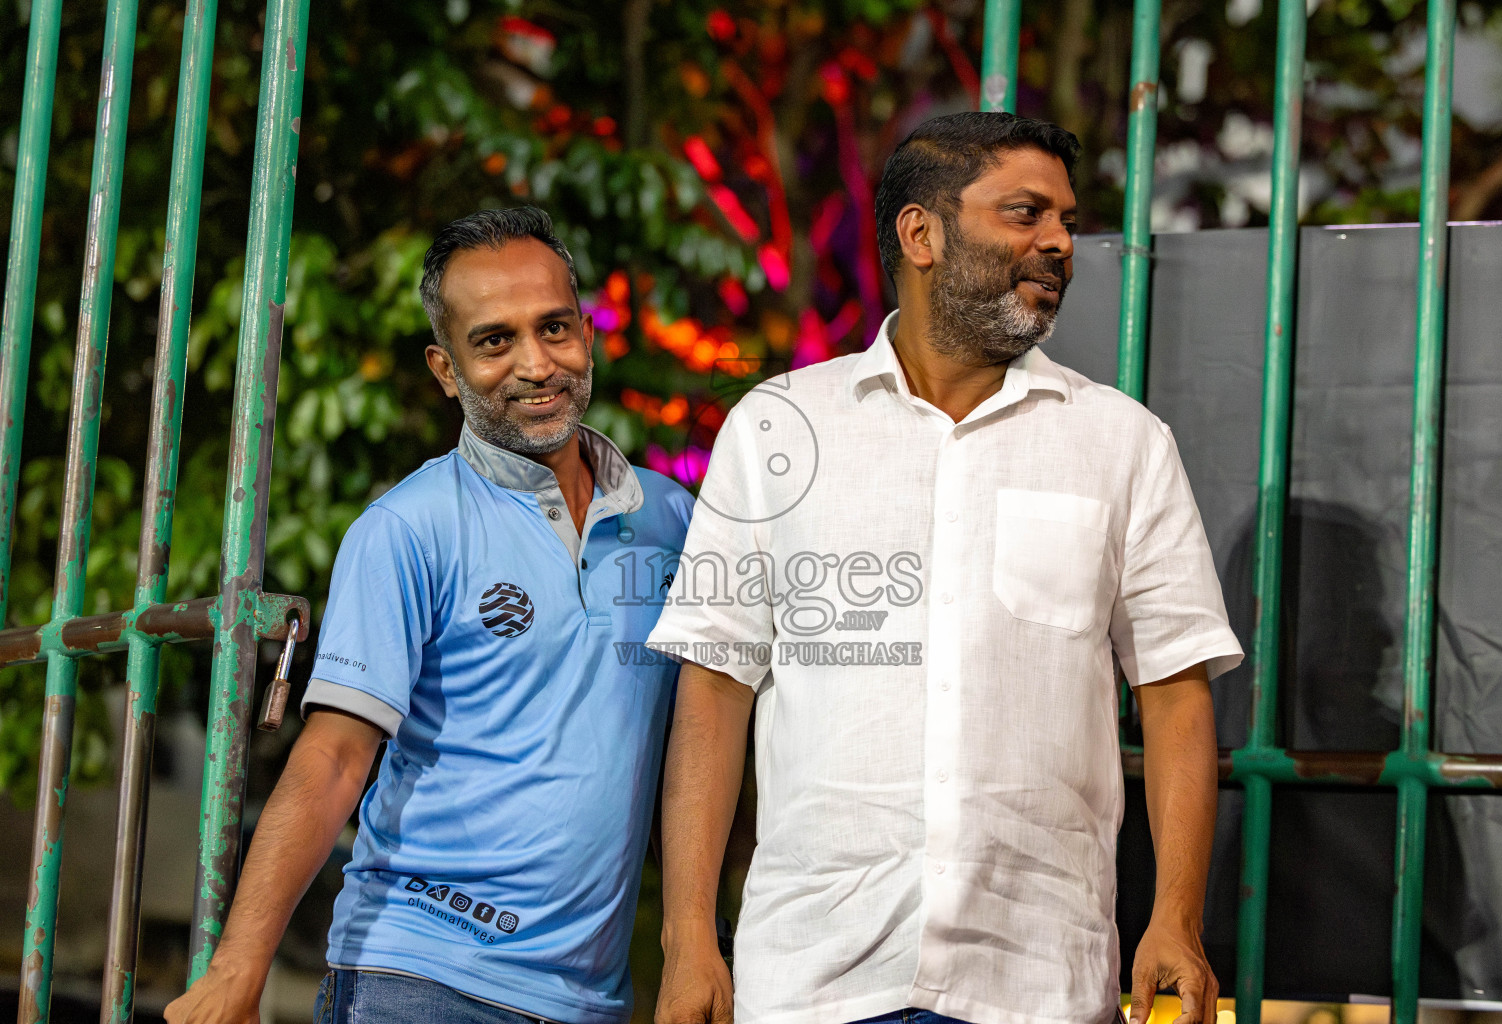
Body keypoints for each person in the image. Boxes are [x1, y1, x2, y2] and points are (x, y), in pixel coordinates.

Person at [646, 112, 1243, 1024]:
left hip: (1037, 978)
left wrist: (1176, 919)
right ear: (920, 233)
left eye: (1066, 222)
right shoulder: (777, 426)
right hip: (812, 976)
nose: (1058, 243)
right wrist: (690, 937)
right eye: (1024, 213)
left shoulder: (1122, 443)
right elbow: (715, 688)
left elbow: (1175, 692)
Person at [165, 207, 694, 1024]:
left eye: (554, 328)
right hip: (417, 977)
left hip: (591, 998)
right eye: (494, 341)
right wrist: (240, 966)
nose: (535, 363)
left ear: (588, 335)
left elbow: (719, 736)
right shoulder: (407, 528)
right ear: (445, 369)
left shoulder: (671, 520)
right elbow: (335, 759)